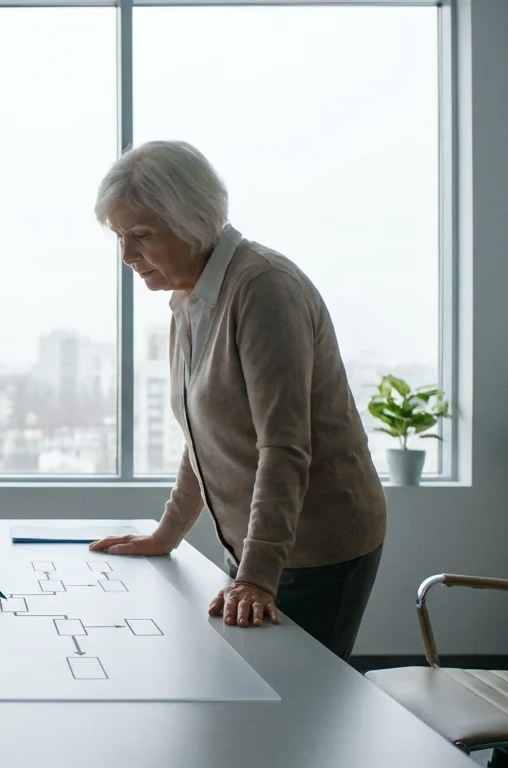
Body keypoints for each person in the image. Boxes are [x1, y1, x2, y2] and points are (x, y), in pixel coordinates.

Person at [88, 141, 386, 660]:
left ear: (192, 221)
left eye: (140, 236)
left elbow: (284, 445)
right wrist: (167, 534)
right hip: (260, 546)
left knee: (298, 701)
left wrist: (256, 576)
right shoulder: (188, 295)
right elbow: (203, 437)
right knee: (256, 689)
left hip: (317, 546)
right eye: (119, 236)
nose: (127, 256)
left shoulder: (263, 289)